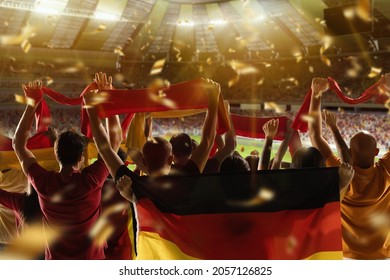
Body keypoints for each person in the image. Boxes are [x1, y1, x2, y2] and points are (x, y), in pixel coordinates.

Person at [12, 73, 122, 260]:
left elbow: (18, 144)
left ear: (56, 154)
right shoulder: (91, 180)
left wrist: (32, 103)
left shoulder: (43, 182)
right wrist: (108, 98)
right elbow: (115, 141)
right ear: (81, 157)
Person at [85, 78, 221, 201]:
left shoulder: (136, 186)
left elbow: (105, 149)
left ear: (143, 160)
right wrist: (213, 99)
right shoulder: (186, 181)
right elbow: (207, 141)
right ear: (170, 159)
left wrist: (91, 109)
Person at [308, 76, 390, 259]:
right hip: (383, 257)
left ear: (350, 152)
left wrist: (316, 95)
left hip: (345, 257)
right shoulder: (386, 172)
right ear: (377, 151)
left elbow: (314, 135)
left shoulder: (341, 175)